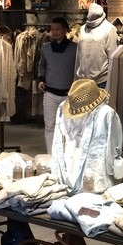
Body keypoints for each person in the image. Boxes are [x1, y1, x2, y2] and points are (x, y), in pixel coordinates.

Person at [36, 17, 77, 153]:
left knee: (68, 127)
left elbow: (78, 69)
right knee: (50, 126)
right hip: (50, 93)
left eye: (58, 29)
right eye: (52, 29)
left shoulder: (75, 48)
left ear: (65, 30)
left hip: (68, 94)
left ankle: (66, 155)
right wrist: (40, 79)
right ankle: (51, 155)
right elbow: (42, 66)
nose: (54, 32)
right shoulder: (45, 48)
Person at [75, 2, 118, 89]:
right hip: (82, 80)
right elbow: (78, 55)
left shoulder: (110, 29)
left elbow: (112, 58)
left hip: (101, 81)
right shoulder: (83, 29)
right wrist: (75, 79)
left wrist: (111, 84)